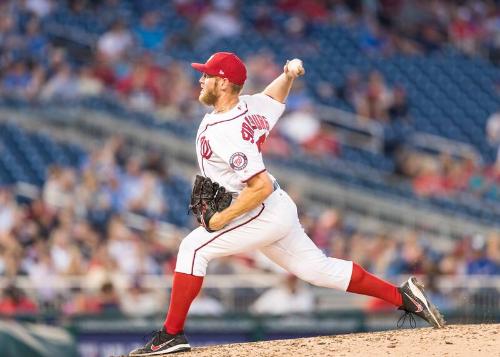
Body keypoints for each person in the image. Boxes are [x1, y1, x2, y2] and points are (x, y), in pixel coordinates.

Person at [129, 52, 444, 356]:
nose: (200, 79)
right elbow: (274, 97)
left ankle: (171, 335)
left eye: (207, 75)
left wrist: (224, 216)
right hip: (275, 208)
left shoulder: (228, 132)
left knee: (193, 248)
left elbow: (260, 186)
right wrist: (288, 75)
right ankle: (404, 298)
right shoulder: (250, 106)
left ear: (223, 83)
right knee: (317, 270)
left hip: (260, 208)